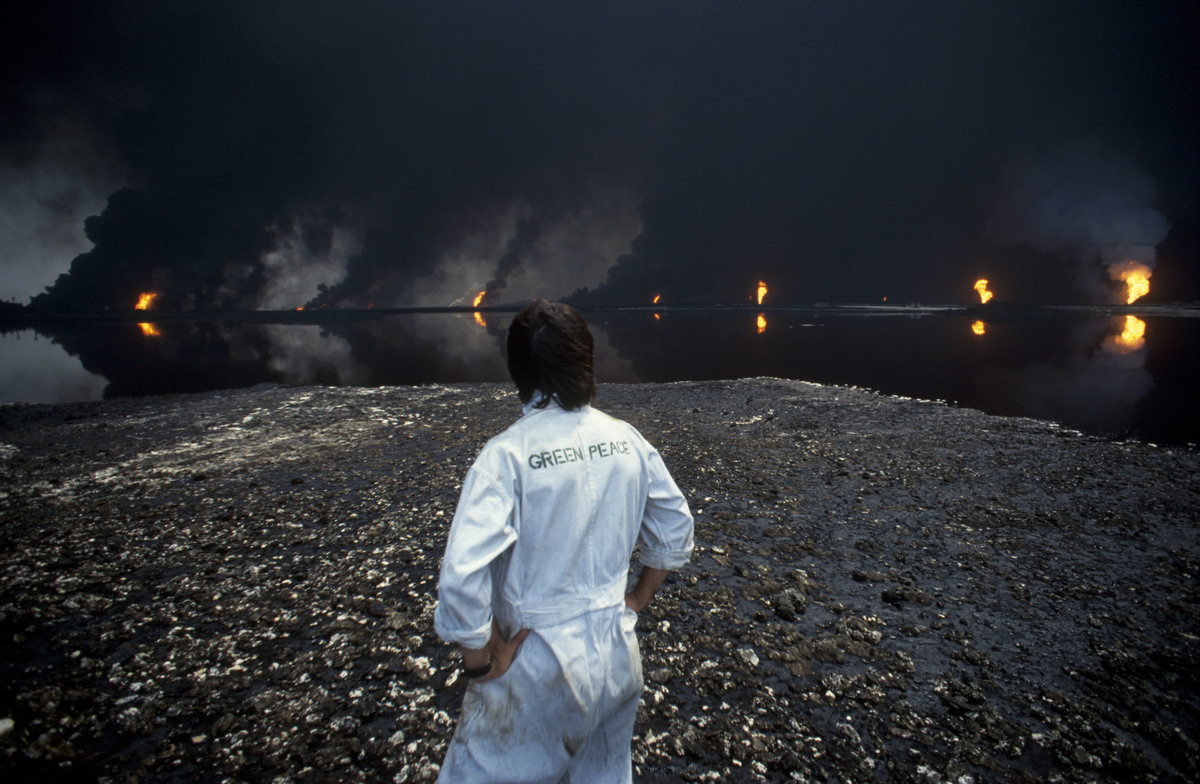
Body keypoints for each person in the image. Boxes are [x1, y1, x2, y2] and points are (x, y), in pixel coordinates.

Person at [433, 300, 694, 783]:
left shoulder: (507, 457)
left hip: (536, 668)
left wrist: (480, 662)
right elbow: (675, 526)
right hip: (617, 656)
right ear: (584, 362)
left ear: (519, 370)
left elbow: (461, 578)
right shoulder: (628, 440)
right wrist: (635, 599)